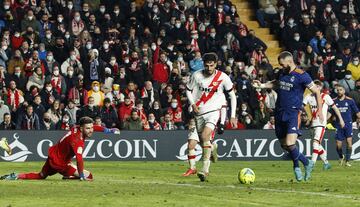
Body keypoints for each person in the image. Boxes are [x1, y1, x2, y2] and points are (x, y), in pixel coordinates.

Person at [253, 51, 323, 182]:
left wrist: (319, 110)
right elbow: (276, 83)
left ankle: (300, 165)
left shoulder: (302, 75)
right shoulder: (282, 72)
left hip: (293, 113)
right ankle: (305, 162)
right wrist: (261, 85)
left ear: (290, 61)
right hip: (279, 112)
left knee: (291, 143)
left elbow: (317, 91)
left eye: (282, 64)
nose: (280, 66)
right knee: (285, 145)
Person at [0, 117, 119, 181]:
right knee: (90, 176)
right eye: (88, 129)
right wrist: (81, 175)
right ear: (82, 128)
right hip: (61, 164)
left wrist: (108, 130)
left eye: (90, 128)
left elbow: (95, 127)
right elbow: (79, 158)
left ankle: (16, 176)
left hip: (53, 156)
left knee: (41, 175)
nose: (91, 130)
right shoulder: (77, 141)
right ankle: (69, 176)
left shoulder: (76, 128)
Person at [186, 53, 237, 182]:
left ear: (216, 64)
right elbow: (188, 90)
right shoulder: (196, 75)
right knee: (205, 142)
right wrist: (192, 103)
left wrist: (232, 116)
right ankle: (213, 147)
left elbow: (232, 96)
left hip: (214, 111)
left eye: (212, 65)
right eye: (207, 65)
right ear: (203, 64)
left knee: (205, 136)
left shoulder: (223, 77)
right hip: (199, 111)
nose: (209, 68)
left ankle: (205, 170)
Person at [303, 80, 344, 170]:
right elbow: (302, 106)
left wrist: (341, 119)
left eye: (318, 86)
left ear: (321, 87)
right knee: (317, 144)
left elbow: (335, 108)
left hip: (321, 124)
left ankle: (312, 164)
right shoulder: (308, 96)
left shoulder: (325, 96)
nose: (316, 87)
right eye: (314, 86)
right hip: (313, 123)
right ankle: (326, 163)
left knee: (315, 143)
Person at [332, 84, 360, 167]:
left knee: (349, 142)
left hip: (348, 124)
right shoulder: (334, 101)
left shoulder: (350, 100)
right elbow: (330, 113)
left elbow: (357, 112)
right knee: (338, 144)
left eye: (340, 90)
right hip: (338, 124)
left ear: (344, 91)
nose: (339, 91)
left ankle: (347, 161)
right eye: (338, 90)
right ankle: (341, 156)